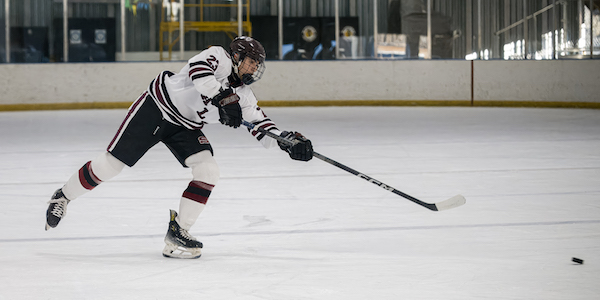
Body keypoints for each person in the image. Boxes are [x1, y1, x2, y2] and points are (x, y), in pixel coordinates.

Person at [45, 36, 314, 259]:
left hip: (186, 125)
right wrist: (223, 98)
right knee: (110, 165)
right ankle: (64, 196)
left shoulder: (244, 95)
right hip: (156, 108)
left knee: (208, 171)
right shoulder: (218, 56)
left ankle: (178, 233)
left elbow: (260, 123)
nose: (254, 69)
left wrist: (287, 142)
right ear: (236, 57)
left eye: (257, 64)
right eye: (251, 62)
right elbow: (198, 71)